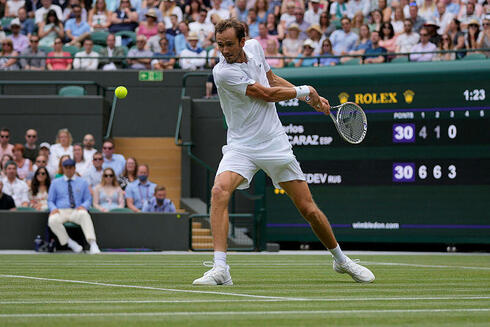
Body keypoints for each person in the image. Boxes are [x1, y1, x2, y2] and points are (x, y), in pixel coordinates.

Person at [192, 18, 375, 286]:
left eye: (230, 44)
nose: (225, 50)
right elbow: (263, 93)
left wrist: (312, 99)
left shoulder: (255, 48)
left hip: (274, 143)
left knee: (308, 209)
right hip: (241, 146)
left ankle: (342, 261)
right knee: (219, 191)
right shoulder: (223, 72)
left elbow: (271, 78)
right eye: (220, 45)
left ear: (243, 41)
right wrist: (304, 91)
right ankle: (221, 269)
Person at [47, 158, 101, 254]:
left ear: (74, 168)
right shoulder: (55, 182)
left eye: (71, 167)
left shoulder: (83, 182)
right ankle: (70, 243)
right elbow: (50, 200)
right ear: (63, 169)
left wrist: (84, 206)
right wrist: (53, 208)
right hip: (61, 211)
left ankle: (93, 244)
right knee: (52, 220)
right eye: (66, 167)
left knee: (84, 215)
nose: (68, 170)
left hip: (76, 210)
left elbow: (88, 199)